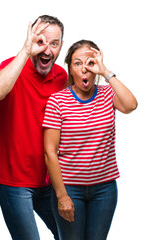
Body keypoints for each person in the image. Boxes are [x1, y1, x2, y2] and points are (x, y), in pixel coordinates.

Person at [43, 39, 138, 240]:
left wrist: (106, 72)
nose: (84, 69)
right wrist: (62, 196)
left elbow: (130, 106)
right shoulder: (57, 101)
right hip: (69, 188)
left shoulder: (107, 94)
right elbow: (50, 151)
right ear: (69, 68)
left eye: (90, 63)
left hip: (105, 190)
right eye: (78, 63)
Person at [0, 15, 67, 240]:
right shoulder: (11, 67)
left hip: (48, 179)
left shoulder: (62, 77)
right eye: (40, 41)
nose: (47, 50)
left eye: (54, 43)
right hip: (12, 180)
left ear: (61, 45)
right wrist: (25, 51)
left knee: (71, 234)